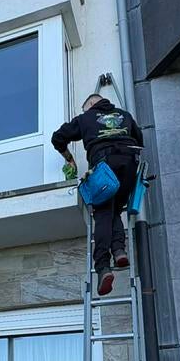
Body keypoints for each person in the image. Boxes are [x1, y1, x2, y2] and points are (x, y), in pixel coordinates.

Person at [52, 93, 144, 296]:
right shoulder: (125, 115)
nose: (85, 113)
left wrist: (69, 159)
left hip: (105, 166)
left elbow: (57, 138)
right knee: (116, 210)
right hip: (129, 164)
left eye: (86, 109)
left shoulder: (85, 118)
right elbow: (140, 139)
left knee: (102, 213)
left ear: (91, 104)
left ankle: (103, 267)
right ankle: (119, 251)